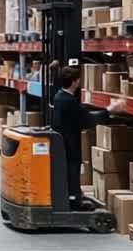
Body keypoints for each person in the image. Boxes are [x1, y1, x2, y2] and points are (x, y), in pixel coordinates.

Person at [48, 66, 125, 209]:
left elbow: (80, 116)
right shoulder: (68, 101)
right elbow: (87, 119)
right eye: (78, 80)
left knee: (69, 172)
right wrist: (109, 110)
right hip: (69, 145)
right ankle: (73, 201)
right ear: (74, 82)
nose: (79, 83)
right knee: (72, 170)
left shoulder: (59, 96)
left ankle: (73, 194)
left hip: (64, 144)